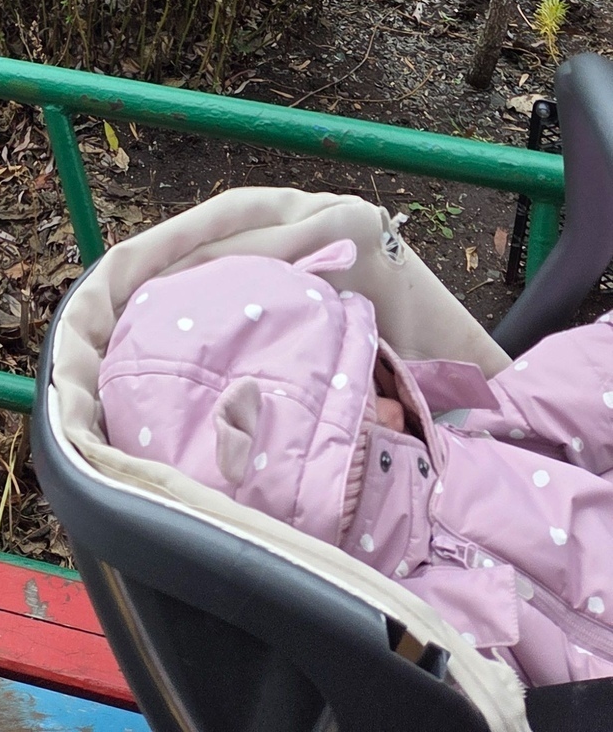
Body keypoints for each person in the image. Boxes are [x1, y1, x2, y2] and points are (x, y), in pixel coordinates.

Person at [99, 243, 613, 688]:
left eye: (376, 379)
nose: (396, 409)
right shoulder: (408, 641)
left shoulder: (464, 431)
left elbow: (572, 384)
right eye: (367, 446)